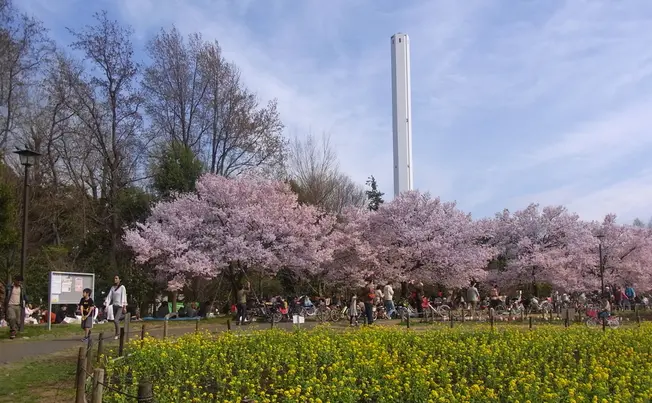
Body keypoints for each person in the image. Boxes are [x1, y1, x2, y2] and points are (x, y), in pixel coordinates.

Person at [4, 275, 27, 340]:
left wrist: (28, 302)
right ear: (15, 281)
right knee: (12, 318)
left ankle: (15, 330)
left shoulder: (21, 288)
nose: (20, 282)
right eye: (18, 281)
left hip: (18, 305)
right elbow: (5, 295)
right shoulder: (10, 287)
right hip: (10, 305)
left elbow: (24, 296)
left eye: (21, 281)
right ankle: (13, 332)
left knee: (18, 321)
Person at [105, 275, 127, 340]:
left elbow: (124, 296)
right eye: (114, 278)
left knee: (115, 320)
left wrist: (124, 306)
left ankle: (117, 334)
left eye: (116, 278)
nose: (115, 279)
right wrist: (106, 305)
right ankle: (117, 332)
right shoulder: (113, 287)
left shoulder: (122, 287)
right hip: (114, 306)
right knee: (116, 321)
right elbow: (109, 296)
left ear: (119, 279)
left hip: (120, 306)